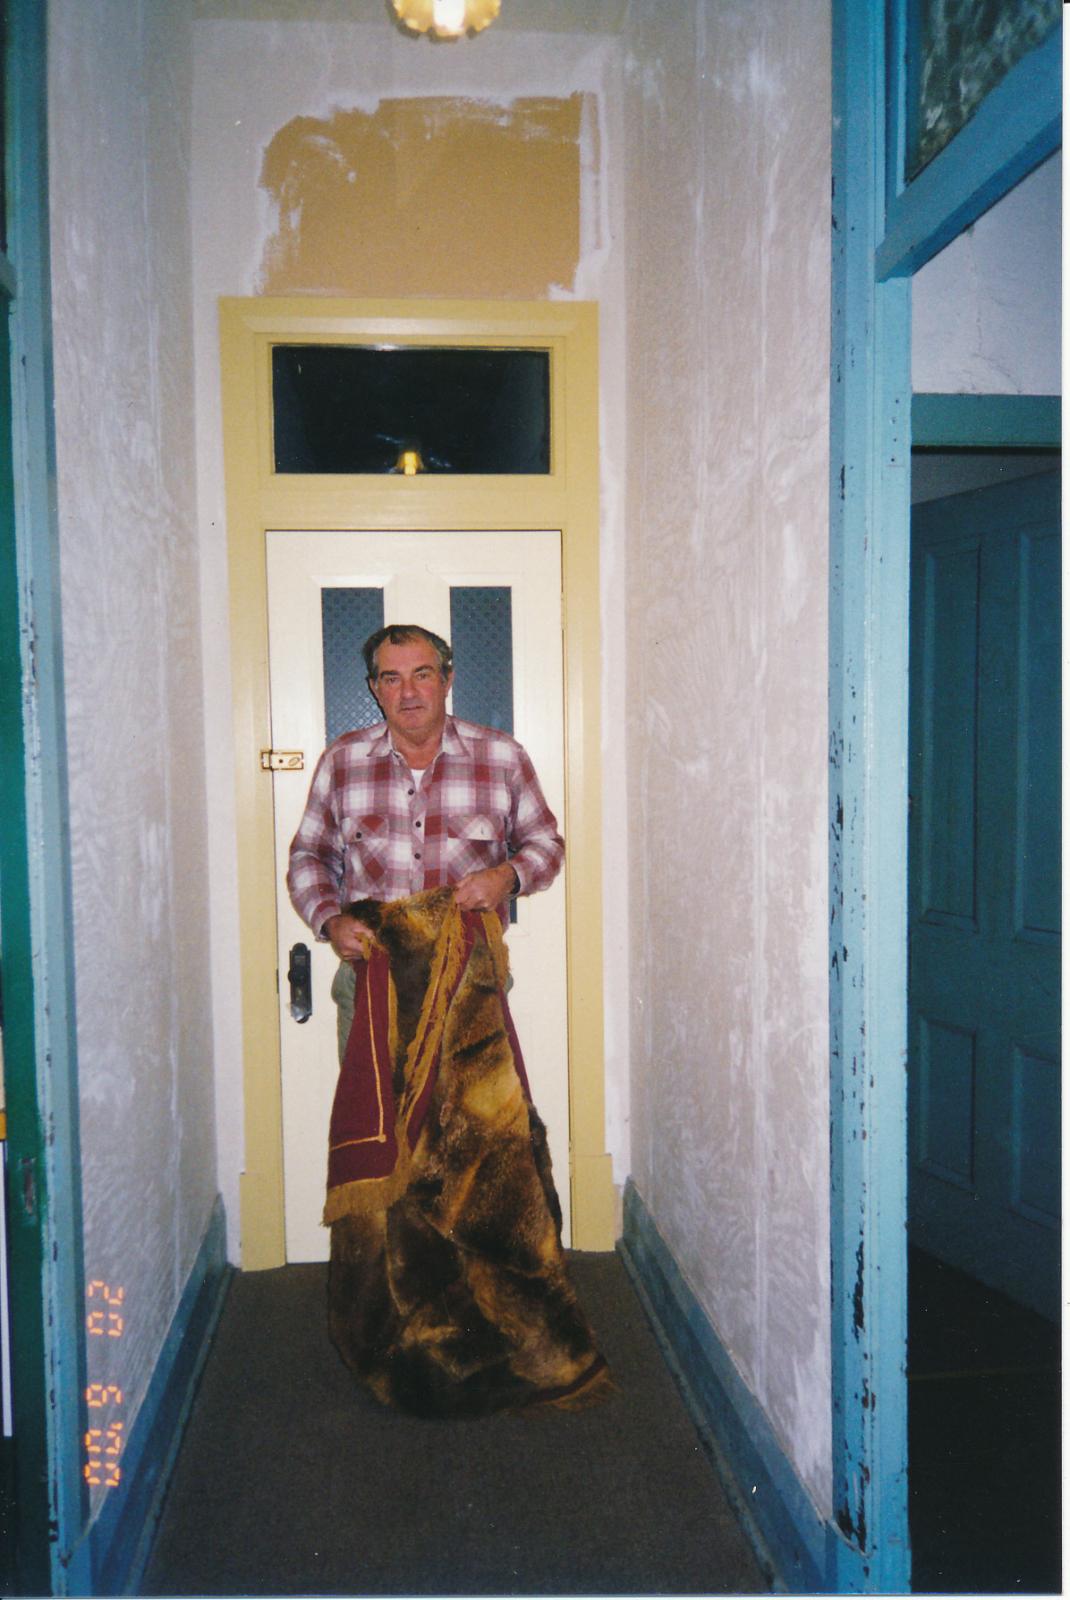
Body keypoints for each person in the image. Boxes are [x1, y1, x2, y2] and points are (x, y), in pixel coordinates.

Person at [287, 621, 565, 1051]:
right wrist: (330, 920)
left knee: (472, 1117)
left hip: (471, 981)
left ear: (447, 680)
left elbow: (546, 845)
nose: (409, 693)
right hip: (372, 979)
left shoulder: (501, 756)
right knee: (373, 1117)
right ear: (375, 688)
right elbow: (310, 856)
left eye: (422, 674)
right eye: (391, 679)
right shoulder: (342, 761)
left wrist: (504, 879)